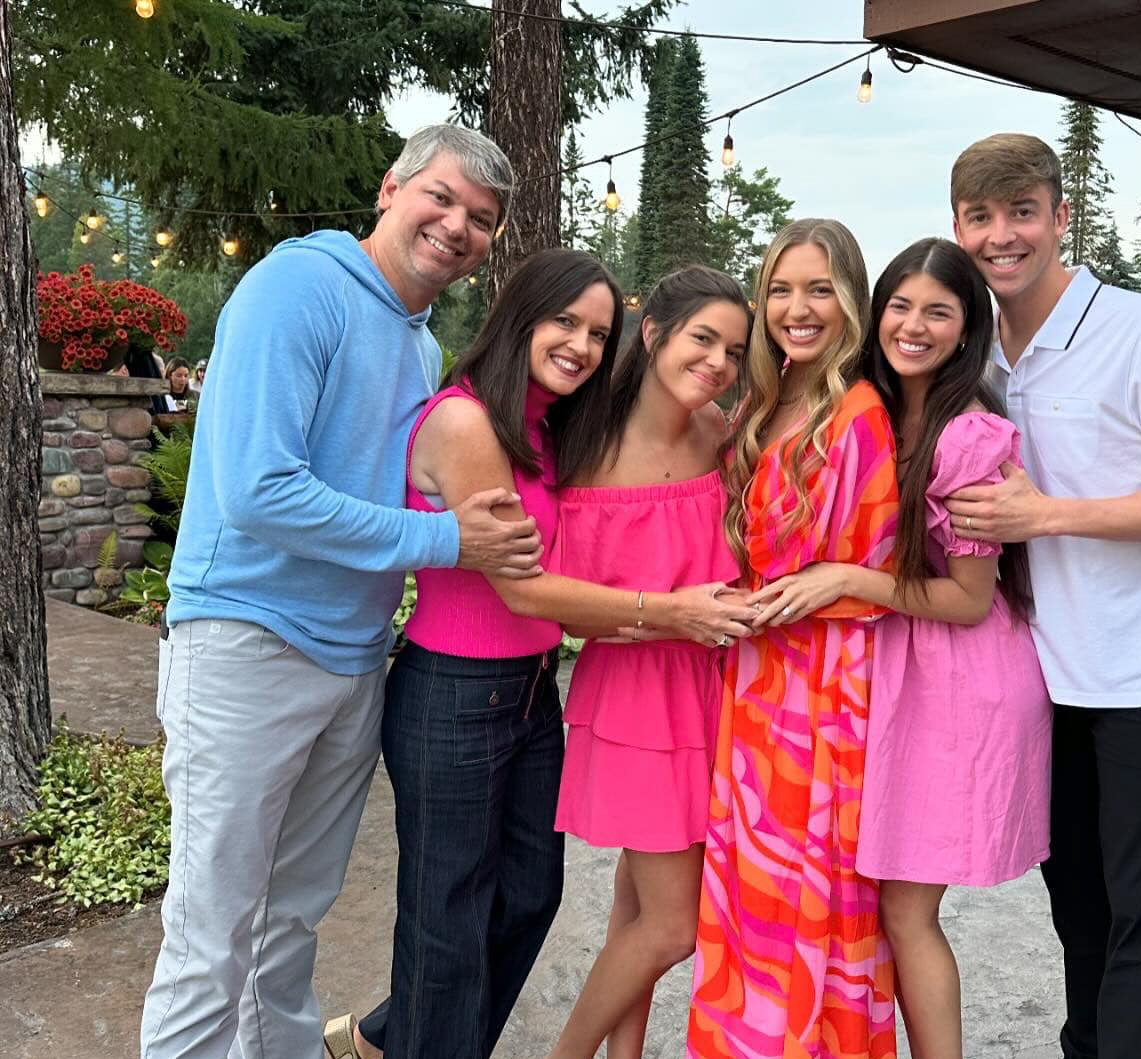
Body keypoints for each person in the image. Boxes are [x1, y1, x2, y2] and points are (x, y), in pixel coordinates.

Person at [140, 124, 545, 1059]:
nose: (456, 226)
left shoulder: (416, 340)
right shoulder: (298, 287)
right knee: (212, 935)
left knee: (290, 925)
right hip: (245, 642)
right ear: (389, 189)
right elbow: (258, 490)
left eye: (480, 220)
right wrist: (450, 541)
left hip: (352, 658)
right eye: (440, 198)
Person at [330, 252, 754, 1059]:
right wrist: (669, 612)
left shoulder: (551, 428)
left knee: (527, 897)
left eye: (598, 331)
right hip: (455, 692)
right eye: (565, 322)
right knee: (448, 922)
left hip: (529, 693)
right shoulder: (469, 422)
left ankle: (384, 1038)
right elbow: (526, 590)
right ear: (520, 315)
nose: (582, 344)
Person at [942, 134, 1141, 1059]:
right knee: (1078, 908)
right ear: (957, 227)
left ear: (1062, 216)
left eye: (1022, 211)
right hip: (1042, 676)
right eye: (982, 217)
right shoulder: (977, 352)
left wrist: (1050, 514)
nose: (1004, 235)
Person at [749, 238, 1051, 1058]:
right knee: (870, 901)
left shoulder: (969, 435)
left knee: (907, 912)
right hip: (894, 674)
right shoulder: (871, 407)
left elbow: (967, 599)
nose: (913, 326)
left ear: (967, 328)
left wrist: (846, 578)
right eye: (901, 306)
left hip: (959, 679)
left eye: (939, 312)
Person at [687, 218, 900, 1059]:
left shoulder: (860, 414)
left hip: (827, 691)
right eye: (780, 288)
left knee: (817, 890)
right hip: (754, 685)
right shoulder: (763, 406)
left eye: (819, 289)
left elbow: (882, 575)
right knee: (749, 888)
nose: (797, 308)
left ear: (850, 299)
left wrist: (830, 587)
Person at [542, 266, 751, 1059]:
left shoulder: (722, 437)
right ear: (656, 331)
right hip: (634, 696)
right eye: (704, 338)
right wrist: (663, 615)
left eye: (734, 349)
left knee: (637, 910)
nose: (719, 363)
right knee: (671, 924)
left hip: (713, 691)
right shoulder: (584, 440)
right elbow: (555, 601)